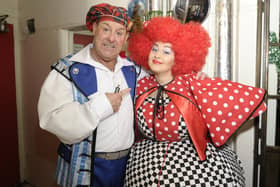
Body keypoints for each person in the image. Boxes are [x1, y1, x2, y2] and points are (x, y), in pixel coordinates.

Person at [124, 17, 267, 186]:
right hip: (144, 170)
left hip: (193, 171)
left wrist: (205, 87)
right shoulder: (141, 85)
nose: (157, 55)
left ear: (180, 56)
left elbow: (247, 100)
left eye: (166, 51)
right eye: (154, 48)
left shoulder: (192, 83)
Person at [37, 3, 148, 187]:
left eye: (119, 33)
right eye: (106, 29)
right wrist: (99, 107)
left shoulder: (133, 70)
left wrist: (193, 73)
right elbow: (50, 119)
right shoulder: (66, 69)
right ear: (94, 29)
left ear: (126, 38)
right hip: (84, 170)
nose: (112, 38)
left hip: (126, 167)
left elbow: (163, 77)